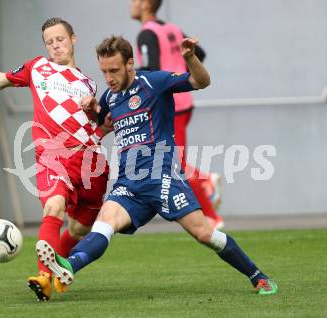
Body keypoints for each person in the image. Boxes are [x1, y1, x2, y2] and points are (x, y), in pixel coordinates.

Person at [36, 36, 278, 296]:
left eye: (114, 70)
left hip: (163, 178)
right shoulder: (110, 96)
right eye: (104, 71)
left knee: (205, 234)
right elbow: (100, 120)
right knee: (105, 223)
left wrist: (189, 58)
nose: (109, 78)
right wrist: (92, 107)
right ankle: (69, 266)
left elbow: (202, 81)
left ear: (130, 64)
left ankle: (257, 275)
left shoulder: (155, 82)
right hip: (129, 182)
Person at [0, 17, 113, 302]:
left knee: (79, 229)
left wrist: (98, 112)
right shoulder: (38, 67)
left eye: (60, 39)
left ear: (73, 39)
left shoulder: (88, 84)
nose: (55, 46)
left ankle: (57, 269)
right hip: (53, 156)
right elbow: (0, 78)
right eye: (49, 42)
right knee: (54, 206)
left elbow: (97, 126)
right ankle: (44, 278)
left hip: (91, 163)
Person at [130, 0, 224, 228]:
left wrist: (130, 81)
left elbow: (150, 68)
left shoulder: (146, 34)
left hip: (170, 107)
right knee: (171, 160)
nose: (131, 4)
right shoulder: (171, 28)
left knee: (175, 165)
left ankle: (212, 216)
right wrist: (181, 71)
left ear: (145, 4)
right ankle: (205, 179)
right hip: (184, 102)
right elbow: (198, 53)